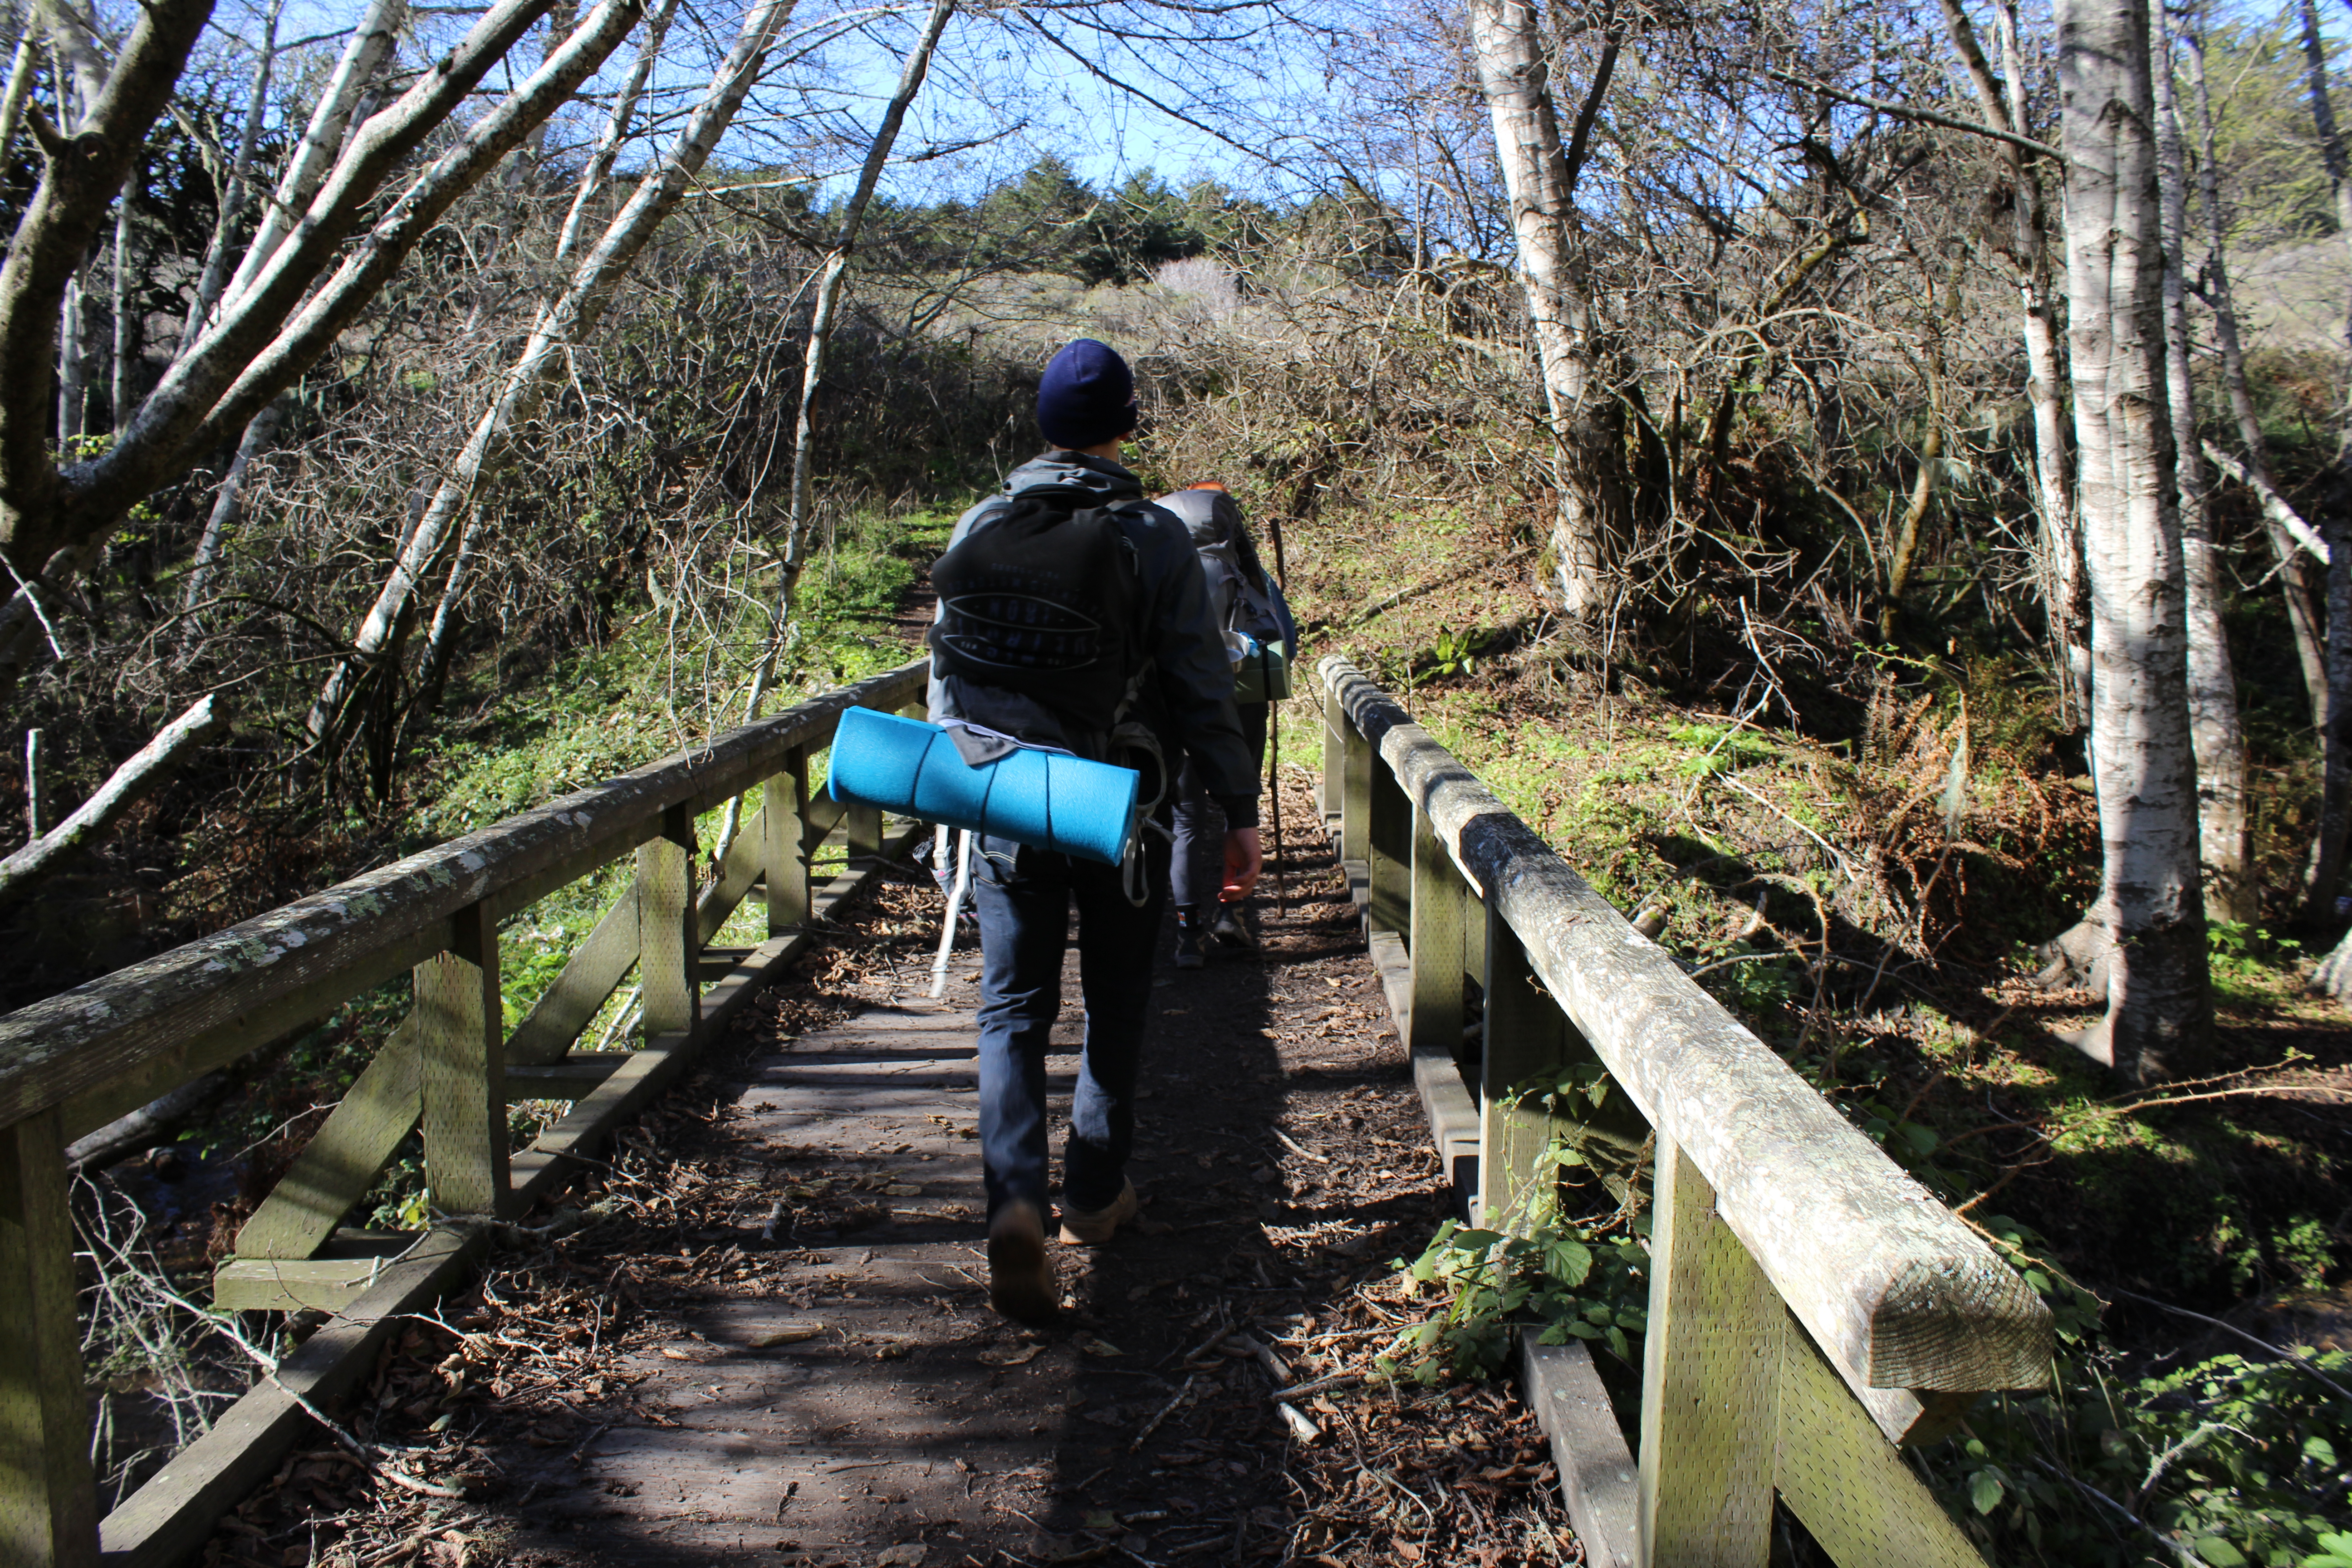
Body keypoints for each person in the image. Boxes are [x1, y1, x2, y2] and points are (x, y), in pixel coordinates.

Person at [927, 338, 1262, 1321]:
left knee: (1012, 1009)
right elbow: (1203, 685)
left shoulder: (982, 519)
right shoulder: (1150, 534)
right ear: (1125, 425)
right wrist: (1237, 812)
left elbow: (949, 682)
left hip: (1001, 804)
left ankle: (1014, 1203)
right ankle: (1094, 1193)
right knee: (1116, 998)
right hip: (1124, 810)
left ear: (1042, 423)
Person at [1154, 484, 1294, 968]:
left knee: (1187, 818)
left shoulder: (1161, 575)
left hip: (1182, 707)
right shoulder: (1247, 574)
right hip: (1244, 709)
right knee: (1239, 810)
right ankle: (1231, 913)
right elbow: (1285, 646)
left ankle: (1187, 934)